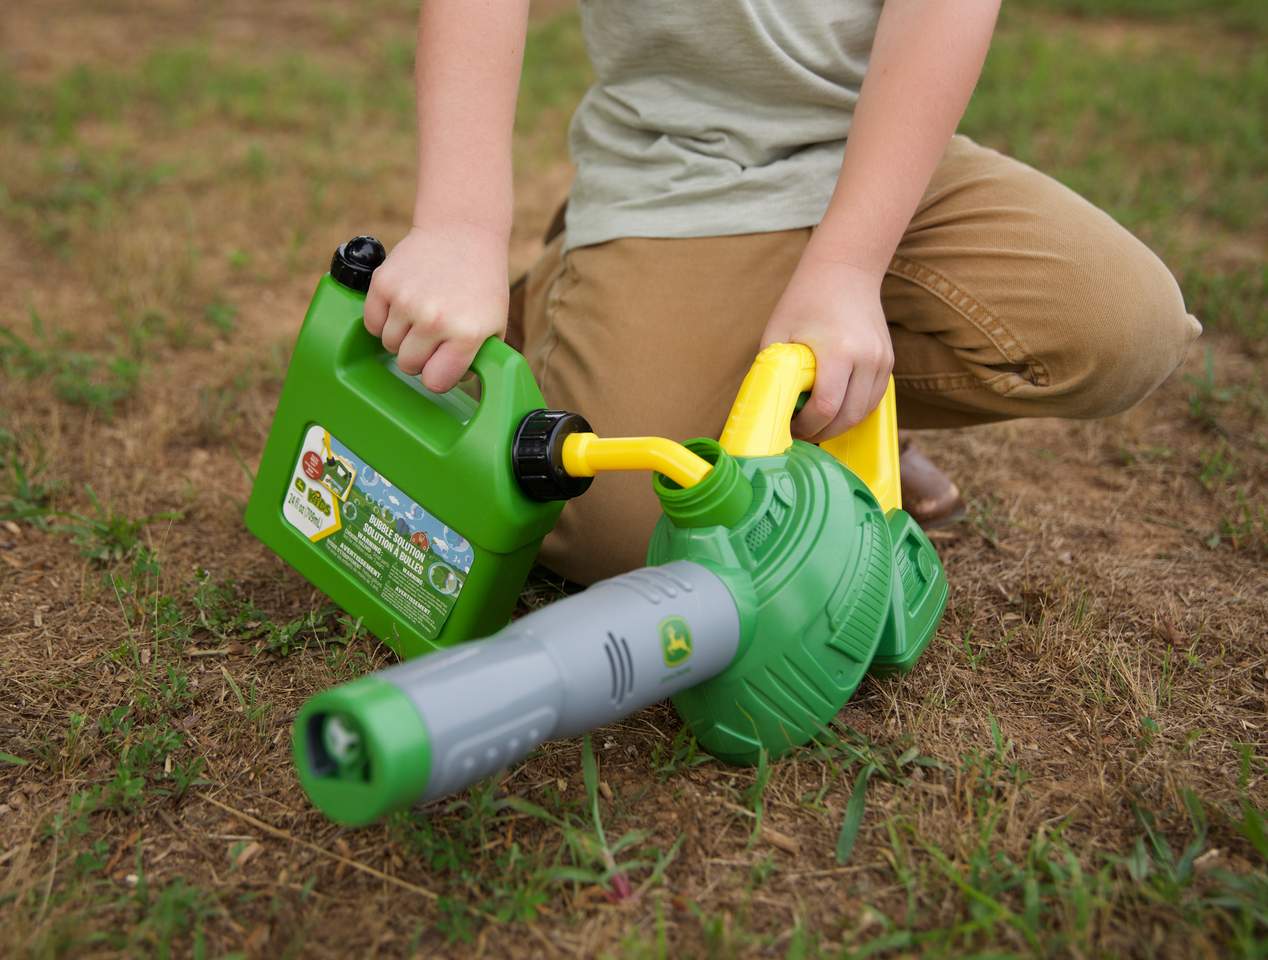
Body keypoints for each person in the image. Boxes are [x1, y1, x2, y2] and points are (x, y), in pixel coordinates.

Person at [362, 0, 1201, 585]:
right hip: (679, 172)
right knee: (626, 533)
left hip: (882, 156)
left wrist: (848, 267)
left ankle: (821, 417)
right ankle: (558, 291)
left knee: (1117, 326)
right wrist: (461, 227)